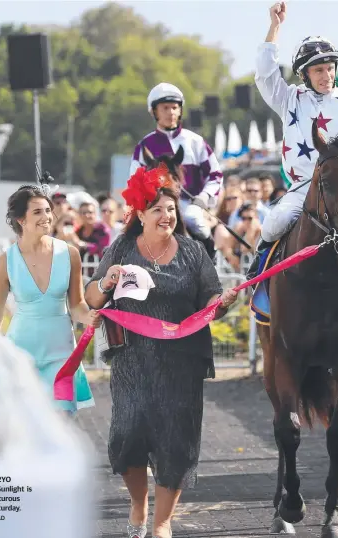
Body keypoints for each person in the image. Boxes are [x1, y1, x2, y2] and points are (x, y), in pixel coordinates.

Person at [84, 165, 238, 538]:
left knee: (176, 442)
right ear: (140, 214)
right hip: (132, 362)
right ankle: (139, 505)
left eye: (171, 210)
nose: (167, 216)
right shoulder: (121, 248)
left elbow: (212, 298)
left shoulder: (192, 252)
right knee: (126, 437)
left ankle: (162, 523)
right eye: (158, 210)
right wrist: (107, 280)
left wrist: (224, 301)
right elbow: (92, 296)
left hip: (180, 365)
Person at [249, 1, 338, 276]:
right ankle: (259, 272)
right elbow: (264, 75)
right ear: (305, 74)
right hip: (303, 189)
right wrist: (275, 27)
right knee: (275, 222)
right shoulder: (291, 99)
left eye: (330, 68)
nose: (327, 75)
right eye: (318, 70)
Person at [0, 185, 98, 415]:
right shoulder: (3, 263)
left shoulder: (70, 254)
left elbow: (77, 304)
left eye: (48, 210)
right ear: (20, 219)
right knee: (27, 426)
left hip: (61, 353)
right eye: (37, 212)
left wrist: (88, 316)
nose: (47, 217)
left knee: (61, 421)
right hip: (20, 354)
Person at [130, 82, 223, 248]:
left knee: (192, 218)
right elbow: (134, 180)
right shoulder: (144, 145)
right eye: (165, 108)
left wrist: (204, 197)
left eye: (174, 107)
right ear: (154, 112)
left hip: (191, 204)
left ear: (180, 110)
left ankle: (210, 257)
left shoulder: (196, 141)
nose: (170, 112)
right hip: (155, 205)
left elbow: (215, 174)